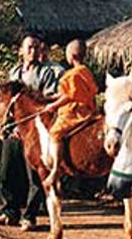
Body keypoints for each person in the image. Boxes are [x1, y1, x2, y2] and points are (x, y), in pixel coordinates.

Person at [0, 34, 59, 231]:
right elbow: (6, 103)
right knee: (7, 172)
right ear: (21, 51)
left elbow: (48, 101)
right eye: (29, 48)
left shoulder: (46, 73)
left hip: (35, 132)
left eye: (36, 48)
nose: (33, 51)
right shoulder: (14, 71)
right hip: (13, 130)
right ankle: (9, 212)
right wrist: (7, 126)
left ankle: (30, 216)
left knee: (35, 177)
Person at [43, 39, 98, 187]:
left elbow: (71, 95)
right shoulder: (85, 71)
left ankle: (55, 170)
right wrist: (51, 97)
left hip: (76, 112)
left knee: (55, 133)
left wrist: (53, 106)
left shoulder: (73, 74)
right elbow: (69, 92)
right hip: (89, 108)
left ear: (71, 56)